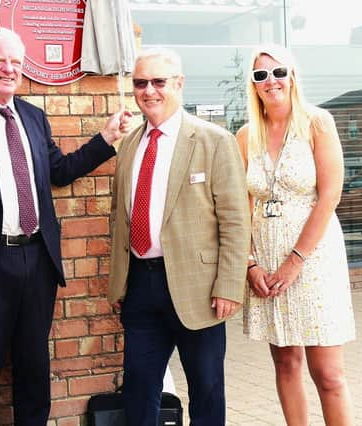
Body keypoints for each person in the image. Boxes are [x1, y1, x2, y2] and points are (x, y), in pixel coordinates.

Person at [0, 27, 130, 426]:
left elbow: (60, 170)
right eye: (0, 60)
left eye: (16, 62)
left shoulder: (33, 118)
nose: (8, 69)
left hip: (36, 260)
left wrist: (105, 138)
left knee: (34, 366)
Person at [108, 47, 250, 425]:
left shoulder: (214, 141)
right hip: (141, 286)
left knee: (205, 390)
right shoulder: (130, 145)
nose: (149, 91)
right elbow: (118, 219)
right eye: (140, 83)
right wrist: (119, 283)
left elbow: (235, 220)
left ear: (179, 84)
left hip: (199, 289)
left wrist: (229, 285)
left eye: (159, 81)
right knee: (139, 391)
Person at [237, 44, 356, 425]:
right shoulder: (245, 136)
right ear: (253, 86)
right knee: (286, 362)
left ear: (293, 76)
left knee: (328, 373)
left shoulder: (317, 122)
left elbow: (330, 194)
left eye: (278, 72)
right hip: (266, 258)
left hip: (313, 257)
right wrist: (250, 263)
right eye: (260, 75)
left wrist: (295, 261)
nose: (270, 81)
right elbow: (239, 207)